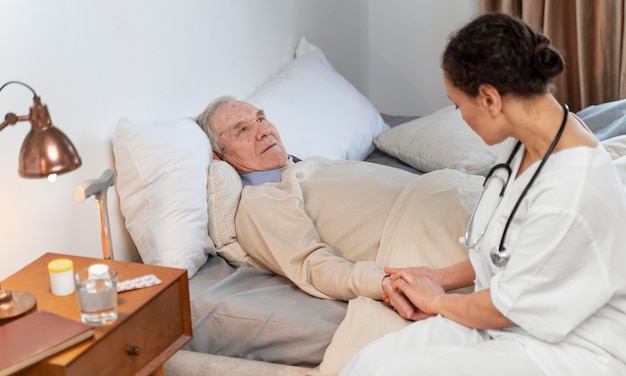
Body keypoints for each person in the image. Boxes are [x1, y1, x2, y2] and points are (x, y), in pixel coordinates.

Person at [340, 13, 626, 375]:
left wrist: (438, 302)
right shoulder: (524, 144)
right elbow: (506, 249)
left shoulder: (571, 191)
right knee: (366, 363)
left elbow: (505, 308)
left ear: (489, 98)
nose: (459, 116)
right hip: (508, 322)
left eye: (459, 105)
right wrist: (438, 278)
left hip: (573, 349)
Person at [197, 96, 482, 301]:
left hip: (447, 194)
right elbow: (313, 266)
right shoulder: (261, 200)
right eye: (243, 130)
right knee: (518, 257)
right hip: (424, 228)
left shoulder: (295, 169)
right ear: (219, 155)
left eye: (261, 118)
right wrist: (386, 283)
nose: (264, 130)